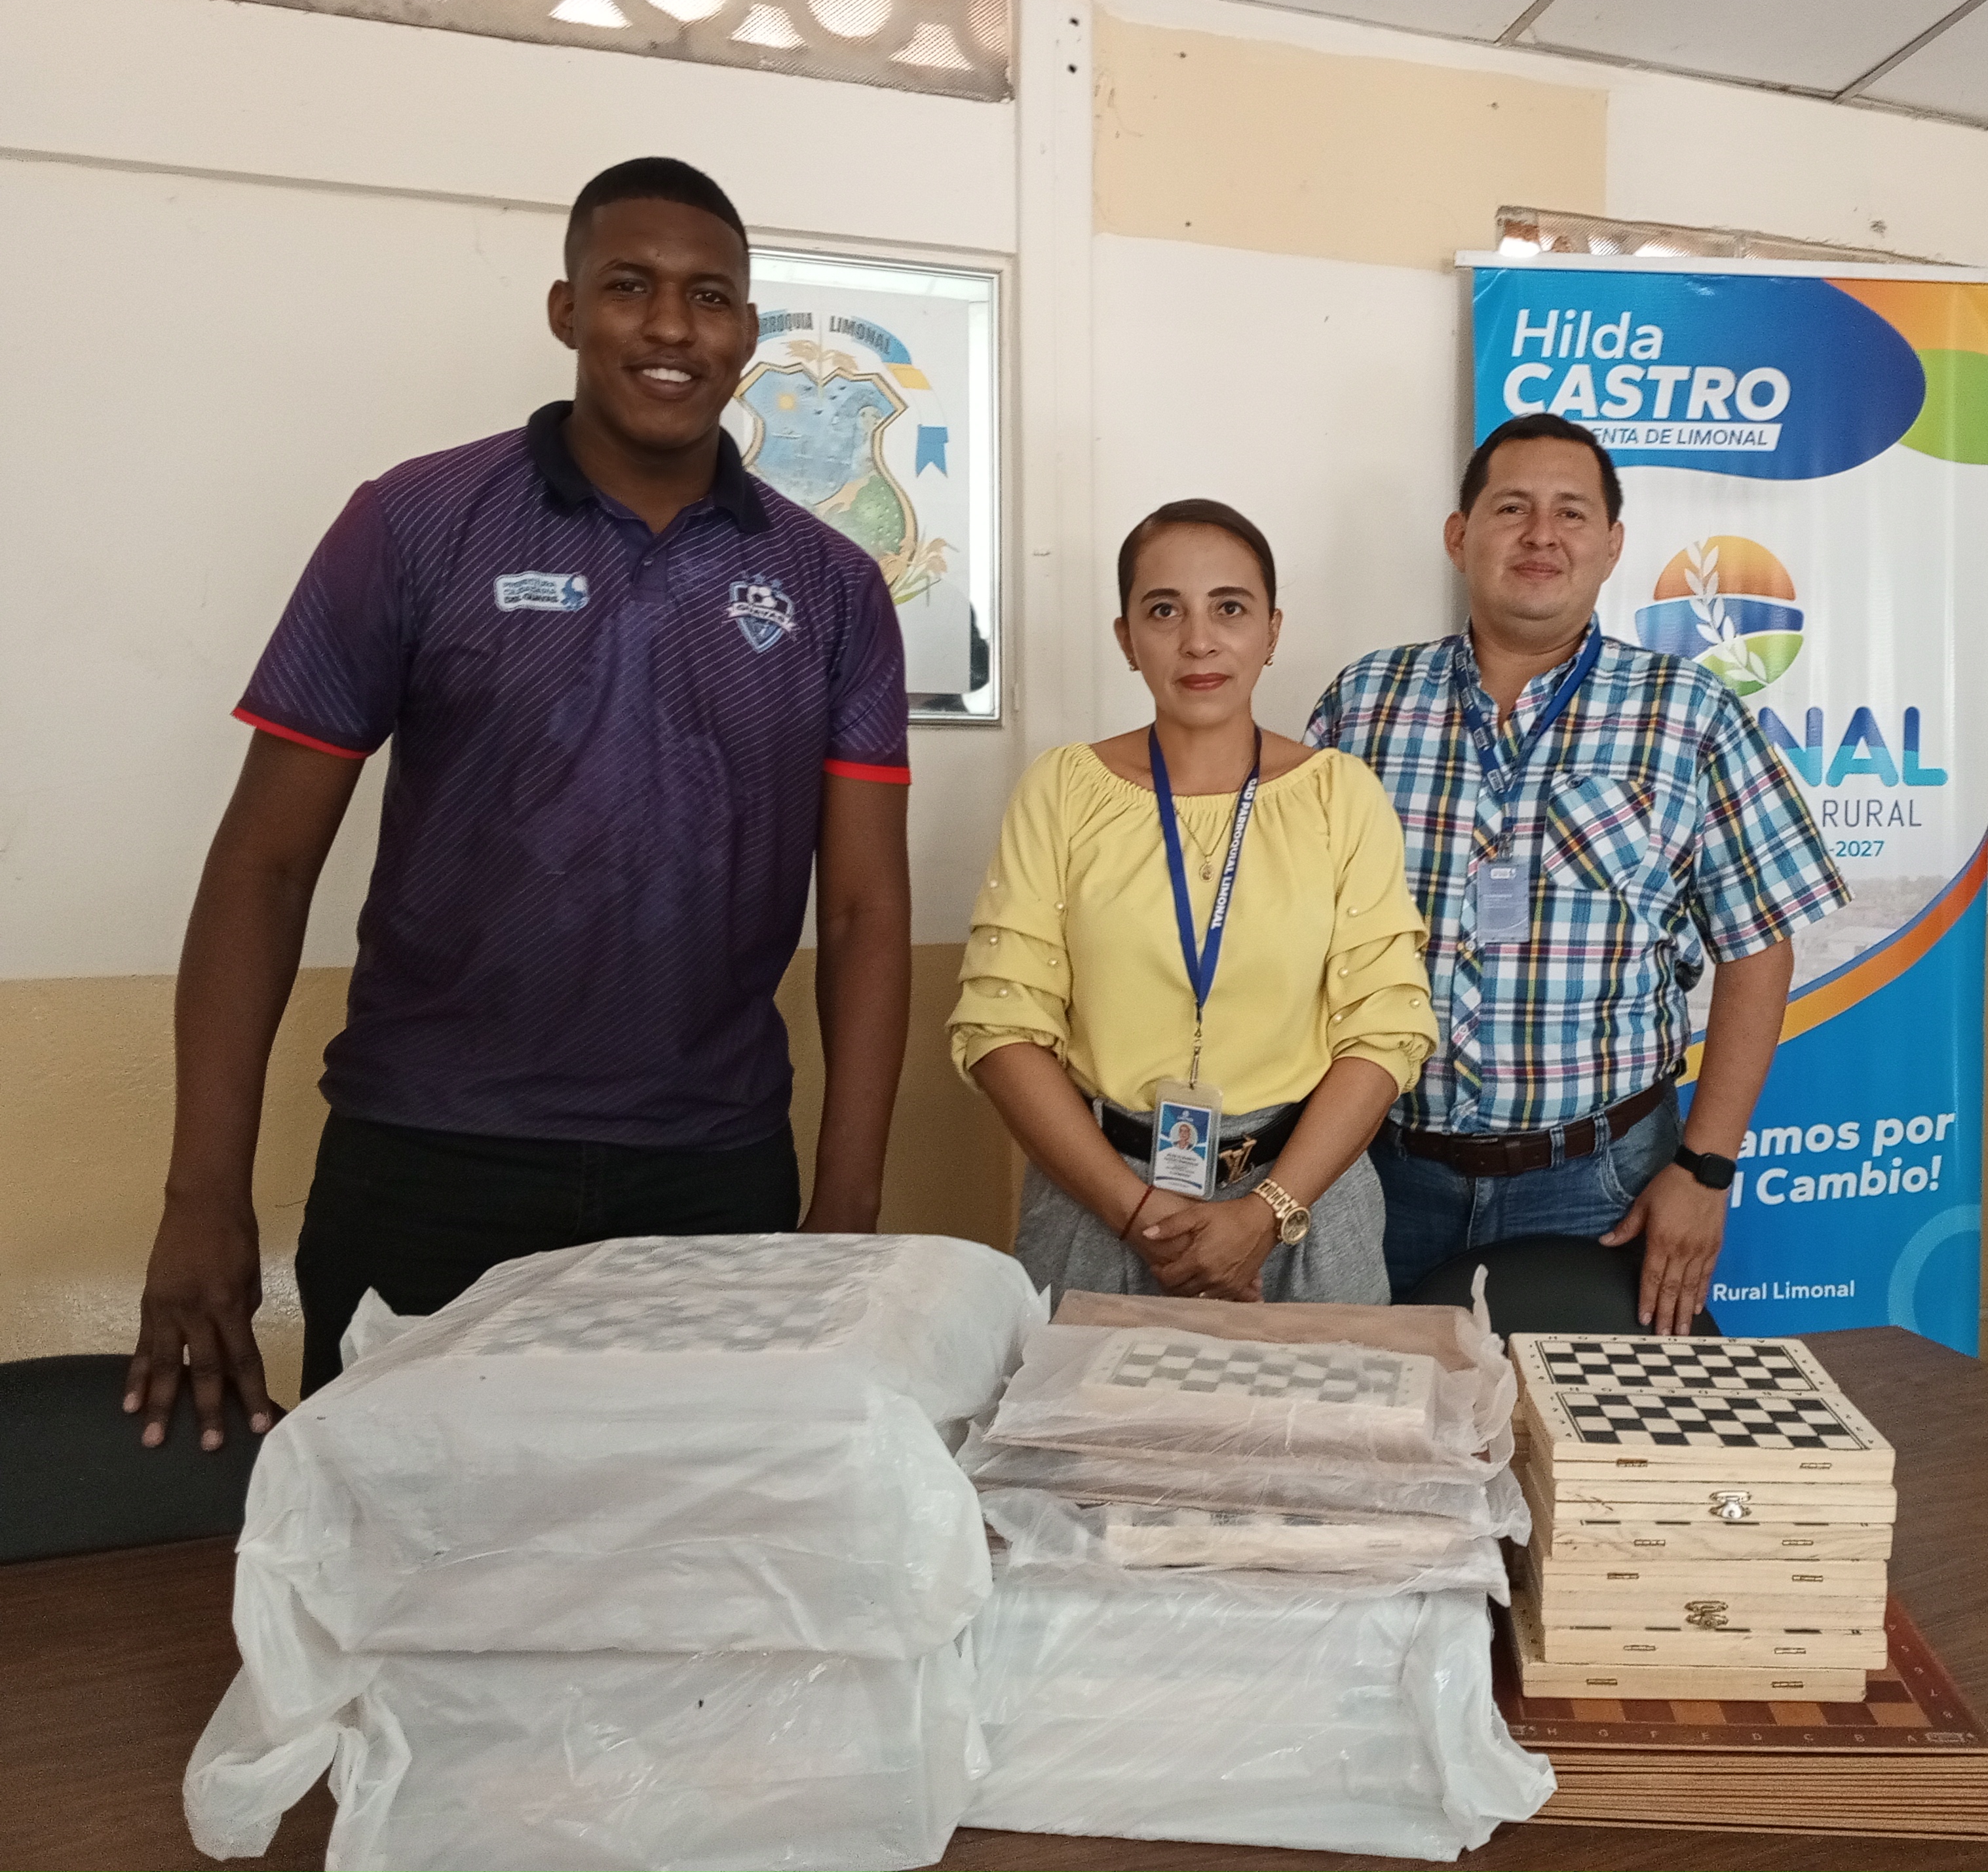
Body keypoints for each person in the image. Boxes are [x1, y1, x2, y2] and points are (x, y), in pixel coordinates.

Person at [125, 157, 915, 1444]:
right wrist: (200, 1194)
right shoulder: (415, 524)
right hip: (427, 1159)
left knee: (684, 1539)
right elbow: (263, 866)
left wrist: (846, 1204)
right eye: (630, 286)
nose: (671, 326)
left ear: (747, 333)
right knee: (398, 1538)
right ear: (566, 311)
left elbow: (869, 913)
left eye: (710, 296)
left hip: (711, 1177)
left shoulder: (830, 586)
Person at [1309, 413, 1848, 1336]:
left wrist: (1706, 1170)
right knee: (1382, 1420)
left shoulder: (1689, 713)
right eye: (1510, 508)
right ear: (1458, 536)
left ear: (1611, 545)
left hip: (1602, 1183)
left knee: (1598, 1426)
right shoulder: (1365, 704)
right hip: (1378, 1172)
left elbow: (1759, 949)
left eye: (1570, 512)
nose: (1541, 535)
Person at [951, 500, 1433, 1303]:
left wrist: (1264, 1213)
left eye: (1230, 608)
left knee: (1318, 1394)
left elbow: (1385, 1032)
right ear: (1125, 638)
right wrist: (1138, 1213)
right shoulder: (1062, 790)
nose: (1199, 641)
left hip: (1301, 1203)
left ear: (1272, 631)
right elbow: (1000, 1026)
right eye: (1164, 610)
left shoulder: (1339, 795)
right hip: (1098, 1198)